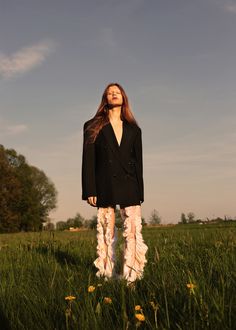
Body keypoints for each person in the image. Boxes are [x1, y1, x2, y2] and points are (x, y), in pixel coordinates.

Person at [81, 83, 148, 284]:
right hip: (104, 182)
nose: (113, 94)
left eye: (117, 92)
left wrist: (140, 192)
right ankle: (107, 274)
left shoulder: (134, 130)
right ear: (105, 99)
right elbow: (88, 160)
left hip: (130, 183)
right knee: (105, 231)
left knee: (133, 231)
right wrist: (89, 189)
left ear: (123, 97)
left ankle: (132, 275)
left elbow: (138, 162)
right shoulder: (92, 126)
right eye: (110, 92)